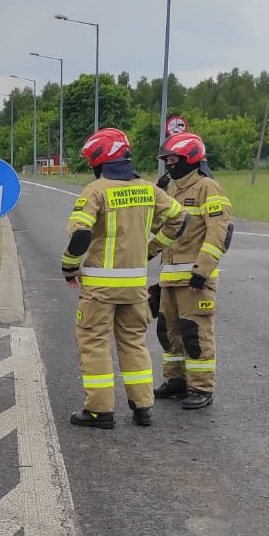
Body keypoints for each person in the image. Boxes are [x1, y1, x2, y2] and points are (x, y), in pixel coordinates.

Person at [61, 128, 185, 429]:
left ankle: (99, 411)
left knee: (94, 343)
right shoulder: (149, 189)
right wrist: (151, 250)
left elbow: (80, 234)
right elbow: (180, 219)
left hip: (101, 289)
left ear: (100, 160)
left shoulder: (96, 191)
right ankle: (143, 408)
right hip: (135, 287)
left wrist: (69, 267)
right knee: (133, 343)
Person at [149, 133, 233, 410]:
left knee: (195, 333)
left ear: (190, 159)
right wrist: (155, 194)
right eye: (167, 161)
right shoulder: (174, 192)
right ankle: (176, 381)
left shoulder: (208, 188)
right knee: (169, 332)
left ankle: (201, 387)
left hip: (195, 279)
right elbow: (158, 229)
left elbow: (220, 232)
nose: (169, 165)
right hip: (170, 278)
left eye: (173, 160)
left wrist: (203, 270)